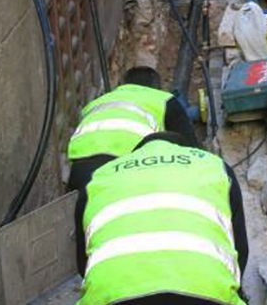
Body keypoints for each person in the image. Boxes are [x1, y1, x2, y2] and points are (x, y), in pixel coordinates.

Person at [76, 131, 248, 305]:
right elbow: (240, 250)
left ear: (135, 153)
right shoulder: (215, 166)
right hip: (207, 296)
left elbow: (83, 262)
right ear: (184, 149)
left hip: (113, 298)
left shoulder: (98, 176)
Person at [67, 67, 200, 275]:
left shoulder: (95, 104)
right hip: (123, 169)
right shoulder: (162, 99)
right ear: (156, 86)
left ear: (124, 83)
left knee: (92, 230)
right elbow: (194, 153)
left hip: (79, 173)